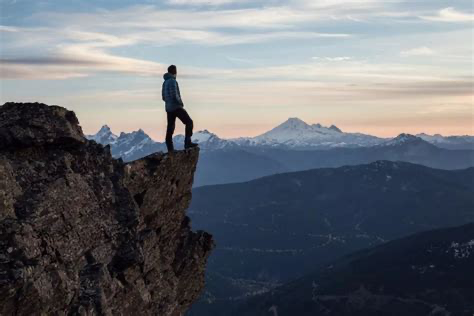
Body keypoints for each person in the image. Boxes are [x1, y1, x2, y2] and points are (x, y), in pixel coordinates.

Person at [162, 65, 198, 152]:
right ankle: (187, 143)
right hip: (176, 107)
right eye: (176, 70)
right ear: (174, 72)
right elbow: (175, 95)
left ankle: (170, 149)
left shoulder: (165, 82)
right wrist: (180, 103)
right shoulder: (172, 81)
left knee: (170, 128)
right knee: (189, 122)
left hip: (168, 108)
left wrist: (168, 103)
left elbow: (163, 97)